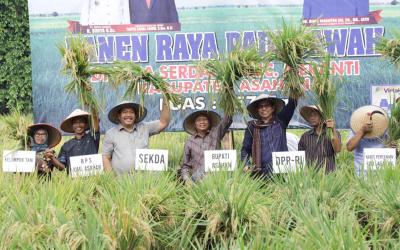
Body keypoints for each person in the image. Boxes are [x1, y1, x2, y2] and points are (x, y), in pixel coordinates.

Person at [102, 100, 170, 175]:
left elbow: (163, 123)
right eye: (124, 112)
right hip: (121, 182)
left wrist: (166, 98)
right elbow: (106, 157)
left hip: (145, 180)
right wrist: (112, 179)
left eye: (131, 112)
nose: (128, 115)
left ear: (135, 115)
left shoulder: (144, 127)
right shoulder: (111, 134)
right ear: (119, 116)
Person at [241, 94, 298, 177]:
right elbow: (245, 149)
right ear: (257, 110)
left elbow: (292, 103)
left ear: (273, 108)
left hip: (281, 172)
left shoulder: (281, 121)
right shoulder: (252, 126)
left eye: (267, 105)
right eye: (260, 106)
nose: (263, 108)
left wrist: (294, 87)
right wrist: (246, 164)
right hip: (260, 173)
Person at [179, 110, 233, 183]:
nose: (202, 122)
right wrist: (187, 180)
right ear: (194, 124)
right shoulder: (189, 142)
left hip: (216, 179)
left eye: (205, 119)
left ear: (209, 122)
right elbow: (185, 165)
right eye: (199, 120)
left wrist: (229, 103)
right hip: (197, 181)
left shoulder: (215, 134)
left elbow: (227, 119)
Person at [47, 109, 100, 174]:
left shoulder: (92, 137)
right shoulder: (66, 145)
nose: (78, 125)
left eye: (81, 122)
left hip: (94, 180)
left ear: (86, 124)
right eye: (75, 122)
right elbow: (62, 167)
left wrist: (92, 108)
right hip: (74, 182)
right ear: (72, 126)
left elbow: (95, 124)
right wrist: (52, 158)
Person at [346, 105, 389, 176]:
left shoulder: (386, 128)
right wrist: (362, 131)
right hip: (362, 173)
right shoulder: (356, 128)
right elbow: (349, 147)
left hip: (382, 172)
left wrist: (394, 149)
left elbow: (394, 153)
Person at [298, 105, 342, 173]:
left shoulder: (332, 134)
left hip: (329, 175)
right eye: (310, 116)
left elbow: (338, 149)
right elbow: (300, 157)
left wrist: (333, 129)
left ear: (322, 117)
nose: (312, 118)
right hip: (310, 175)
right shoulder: (305, 136)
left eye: (315, 115)